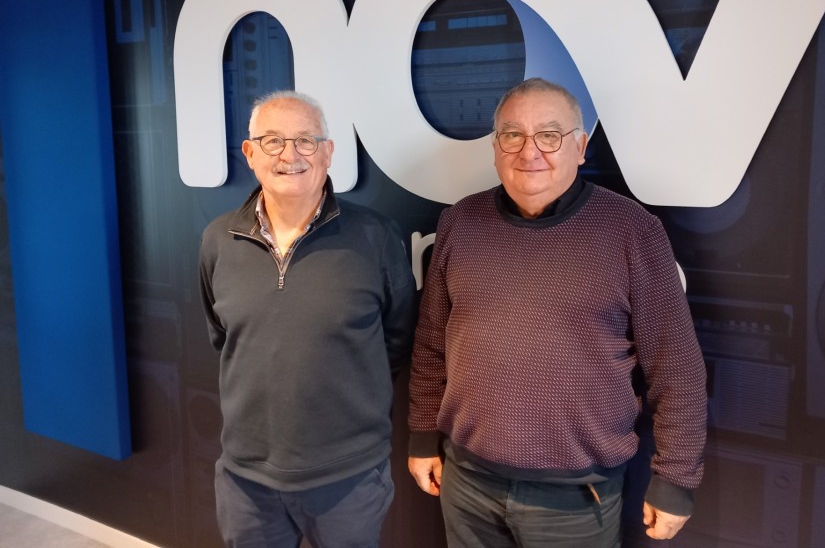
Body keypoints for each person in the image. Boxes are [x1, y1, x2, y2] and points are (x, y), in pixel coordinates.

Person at [407, 78, 707, 547]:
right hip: (466, 482)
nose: (530, 151)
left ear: (580, 147)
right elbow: (430, 345)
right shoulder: (459, 222)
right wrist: (424, 434)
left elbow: (677, 368)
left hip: (576, 500)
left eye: (549, 135)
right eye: (513, 135)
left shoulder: (632, 231)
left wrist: (676, 477)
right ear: (495, 147)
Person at [199, 90, 417, 547]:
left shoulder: (375, 236)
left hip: (349, 478)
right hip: (246, 480)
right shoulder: (218, 239)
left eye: (305, 140)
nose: (290, 155)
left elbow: (397, 340)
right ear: (250, 153)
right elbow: (224, 339)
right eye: (273, 141)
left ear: (328, 152)